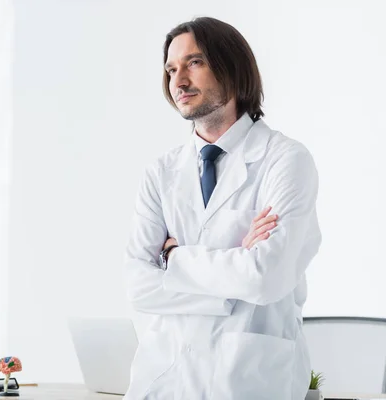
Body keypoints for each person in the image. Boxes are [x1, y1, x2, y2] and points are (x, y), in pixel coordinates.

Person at [124, 17, 322, 400]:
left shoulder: (286, 161)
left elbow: (266, 279)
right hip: (164, 379)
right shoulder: (161, 172)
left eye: (194, 63)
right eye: (171, 69)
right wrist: (234, 271)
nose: (178, 81)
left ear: (232, 67)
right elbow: (137, 285)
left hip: (248, 381)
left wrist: (175, 259)